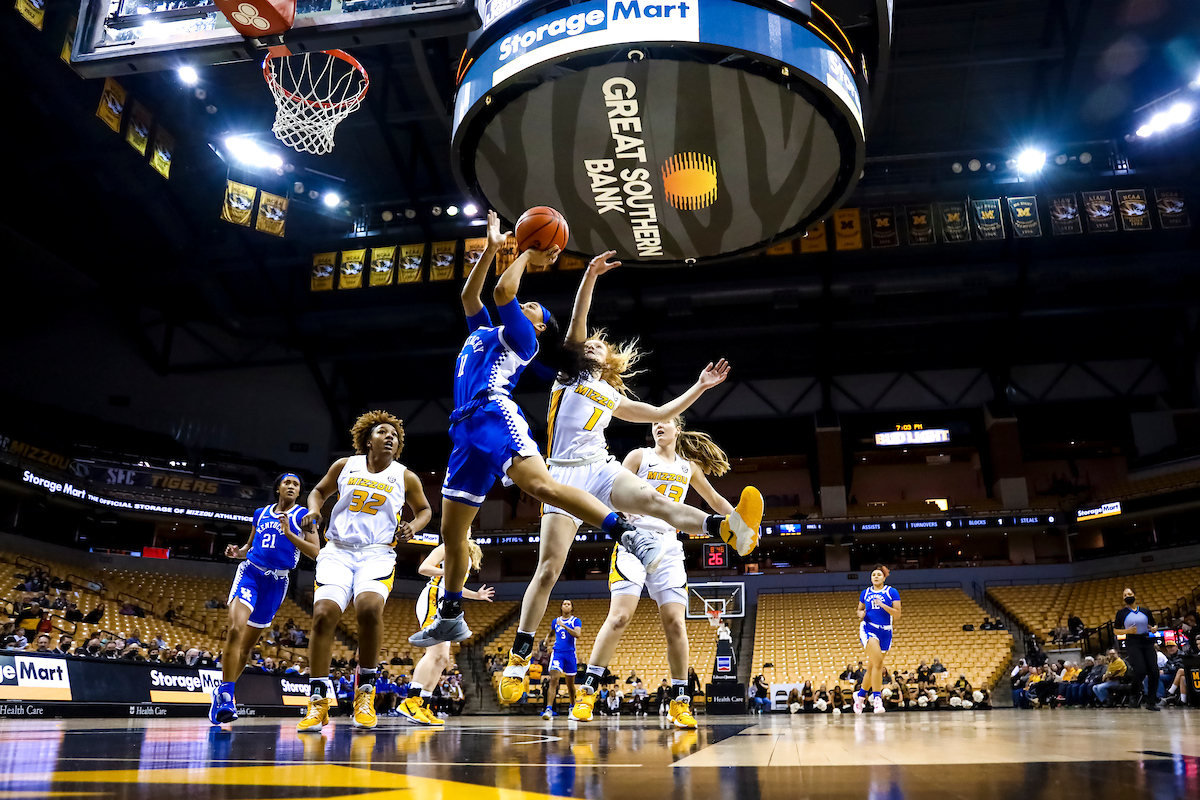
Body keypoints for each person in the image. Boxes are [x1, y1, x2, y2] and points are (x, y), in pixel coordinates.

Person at [495, 251, 762, 702]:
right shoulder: (569, 372)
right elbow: (579, 318)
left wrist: (699, 386)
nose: (592, 344)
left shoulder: (609, 394)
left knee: (656, 501)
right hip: (561, 476)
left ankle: (728, 528)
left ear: (610, 359)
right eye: (589, 343)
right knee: (548, 569)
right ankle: (520, 658)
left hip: (600, 469)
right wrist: (589, 276)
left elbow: (660, 412)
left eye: (600, 344)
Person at [409, 211, 665, 656]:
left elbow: (502, 290)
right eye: (523, 306)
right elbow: (471, 294)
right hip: (464, 430)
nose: (523, 304)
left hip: (493, 412)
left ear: (539, 325)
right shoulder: (484, 331)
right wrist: (491, 248)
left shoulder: (522, 338)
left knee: (543, 486)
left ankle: (623, 529)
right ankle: (450, 615)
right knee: (452, 533)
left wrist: (527, 250)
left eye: (532, 308)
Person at [570, 416, 747, 729]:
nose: (658, 425)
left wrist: (741, 523)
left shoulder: (688, 467)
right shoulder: (639, 456)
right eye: (654, 422)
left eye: (666, 421)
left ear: (678, 429)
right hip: (634, 539)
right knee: (620, 616)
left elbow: (715, 500)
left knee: (677, 624)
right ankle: (587, 692)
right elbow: (611, 490)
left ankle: (679, 702)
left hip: (668, 545)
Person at [297, 410, 433, 733]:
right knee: (323, 613)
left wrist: (412, 526)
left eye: (395, 436)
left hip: (377, 553)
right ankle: (317, 701)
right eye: (383, 432)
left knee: (370, 609)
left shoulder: (405, 476)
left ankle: (366, 693)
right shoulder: (345, 466)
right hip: (338, 550)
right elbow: (318, 491)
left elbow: (425, 510)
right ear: (367, 439)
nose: (390, 437)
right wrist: (314, 510)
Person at [209, 473, 318, 726]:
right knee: (236, 629)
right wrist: (238, 553)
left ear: (299, 492)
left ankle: (223, 692)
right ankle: (226, 694)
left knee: (247, 647)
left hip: (277, 583)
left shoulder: (304, 517)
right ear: (278, 488)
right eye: (287, 483)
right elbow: (250, 545)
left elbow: (315, 552)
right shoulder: (260, 513)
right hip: (250, 573)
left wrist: (290, 533)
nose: (291, 487)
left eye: (296, 485)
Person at [397, 540, 493, 727]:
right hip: (434, 598)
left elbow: (455, 585)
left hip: (448, 603)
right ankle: (410, 701)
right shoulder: (447, 546)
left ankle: (423, 704)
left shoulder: (466, 554)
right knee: (433, 654)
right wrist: (447, 571)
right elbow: (423, 568)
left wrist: (476, 595)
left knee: (442, 659)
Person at [854, 565, 901, 714]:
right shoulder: (865, 593)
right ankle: (877, 699)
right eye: (873, 574)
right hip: (869, 629)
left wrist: (883, 605)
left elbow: (897, 614)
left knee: (873, 666)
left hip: (886, 631)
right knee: (879, 663)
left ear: (884, 577)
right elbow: (860, 610)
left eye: (878, 574)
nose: (875, 576)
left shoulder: (891, 592)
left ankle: (860, 695)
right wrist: (860, 614)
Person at [1114, 587, 1160, 710]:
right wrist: (1127, 631)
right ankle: (1134, 695)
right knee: (1140, 670)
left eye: (1129, 594)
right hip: (1133, 641)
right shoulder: (1121, 613)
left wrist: (1154, 628)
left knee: (1154, 671)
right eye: (1125, 595)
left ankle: (1151, 701)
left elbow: (1154, 624)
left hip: (1147, 640)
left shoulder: (1145, 611)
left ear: (1134, 595)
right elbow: (1116, 630)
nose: (1127, 596)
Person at [541, 600, 581, 720]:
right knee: (554, 680)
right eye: (564, 604)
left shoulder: (575, 620)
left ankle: (572, 707)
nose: (566, 605)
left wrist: (565, 626)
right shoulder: (555, 621)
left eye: (569, 604)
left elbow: (577, 634)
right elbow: (552, 632)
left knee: (570, 685)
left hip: (570, 654)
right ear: (561, 607)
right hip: (557, 653)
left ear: (572, 608)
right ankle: (548, 709)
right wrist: (547, 639)